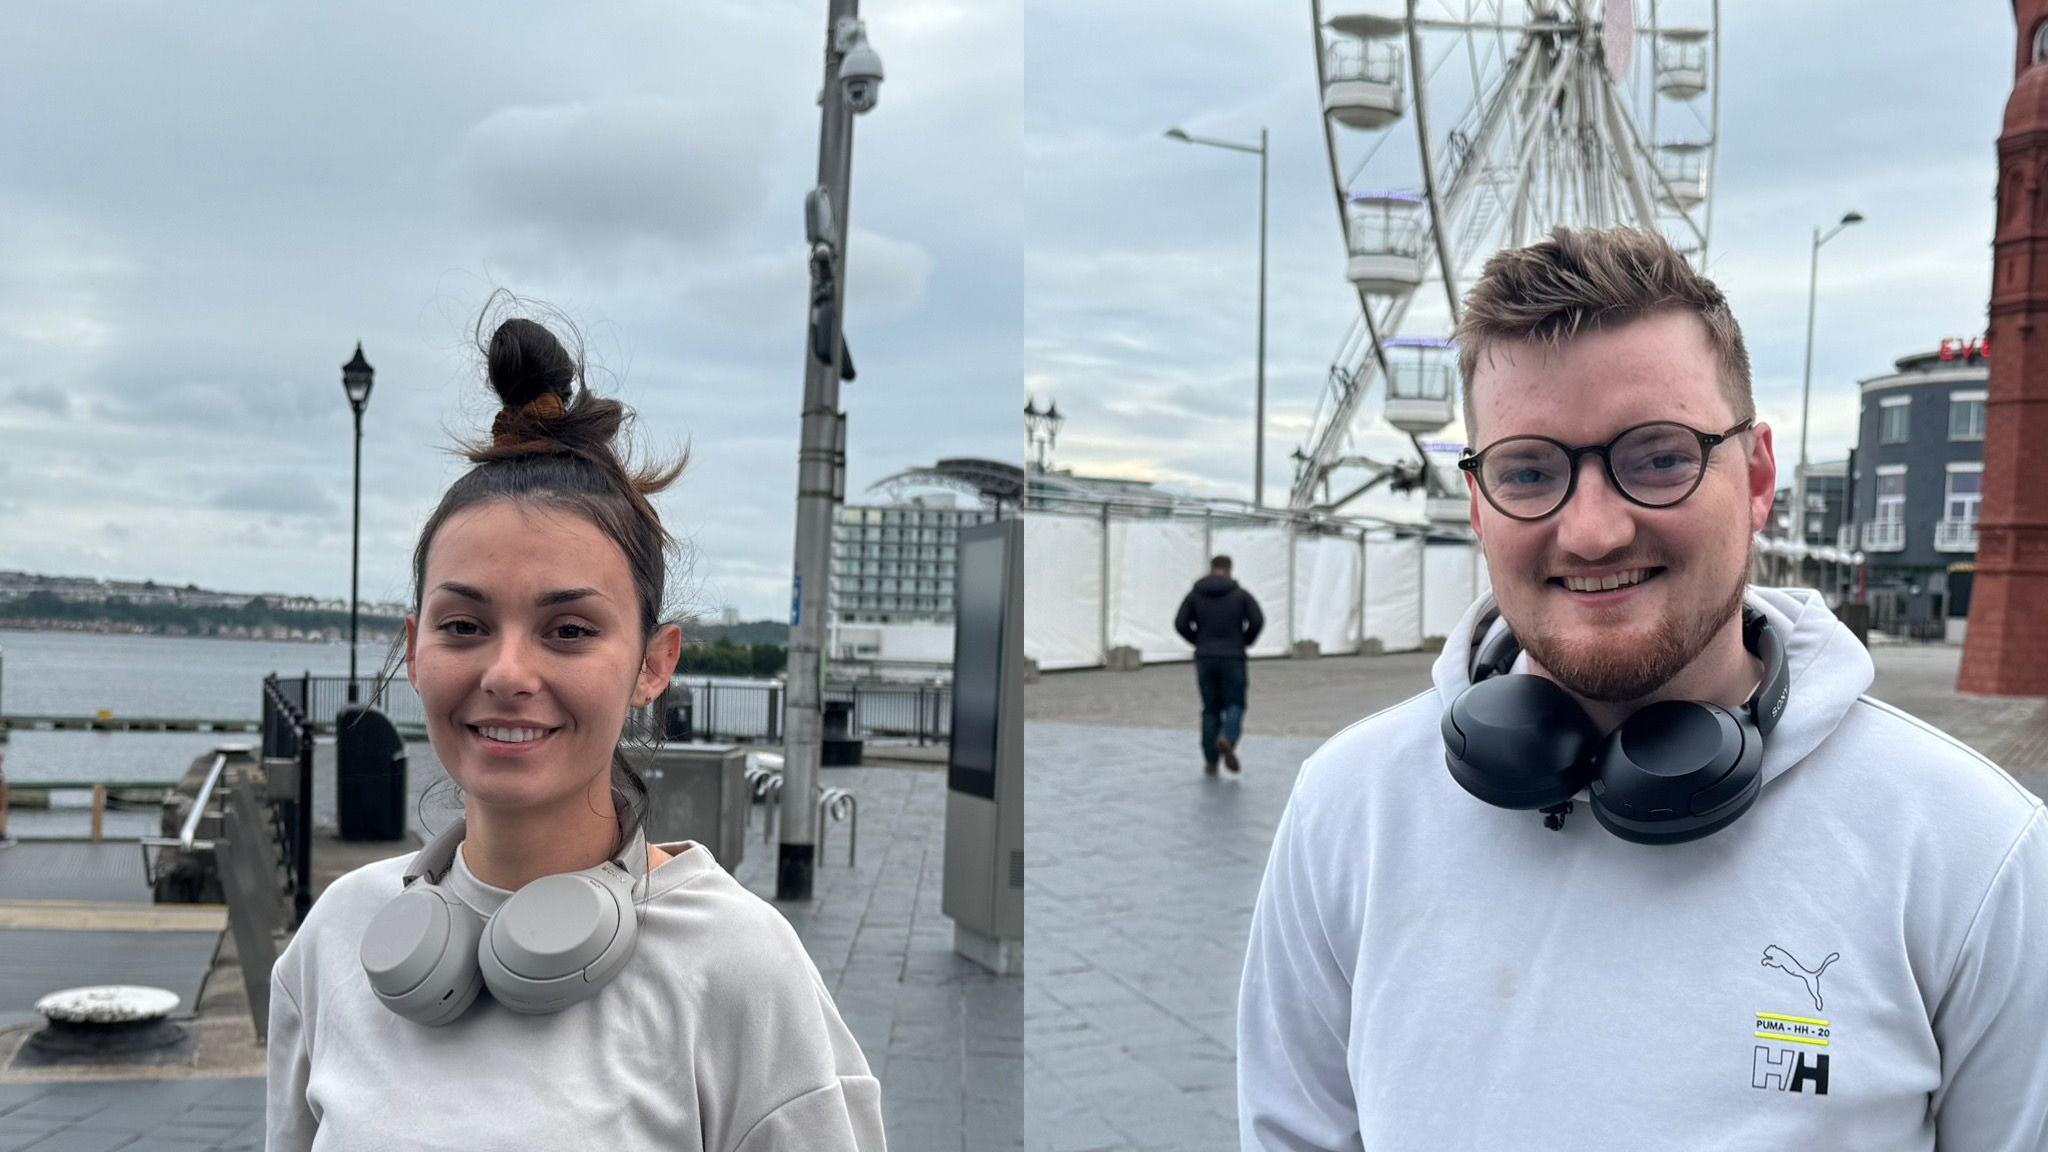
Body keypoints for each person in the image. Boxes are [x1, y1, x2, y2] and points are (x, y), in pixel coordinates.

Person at [1238, 228, 2048, 1149]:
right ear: (1477, 505)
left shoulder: (1974, 854)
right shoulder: (1347, 811)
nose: (1590, 532)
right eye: (1528, 471)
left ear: (1758, 478)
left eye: (1658, 457)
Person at [267, 309, 886, 1151]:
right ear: (413, 651)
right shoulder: (336, 940)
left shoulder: (740, 966)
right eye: (463, 626)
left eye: (569, 631)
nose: (508, 673)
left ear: (653, 664)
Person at [1175, 555, 1264, 775]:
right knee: (1235, 704)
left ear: (1212, 568)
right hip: (1233, 656)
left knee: (1210, 709)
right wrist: (1245, 640)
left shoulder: (1195, 594)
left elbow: (1180, 623)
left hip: (1205, 657)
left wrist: (1198, 640)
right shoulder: (1240, 595)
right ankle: (1227, 738)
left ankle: (1211, 761)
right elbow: (1257, 620)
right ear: (1229, 569)